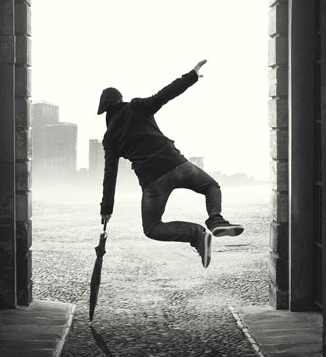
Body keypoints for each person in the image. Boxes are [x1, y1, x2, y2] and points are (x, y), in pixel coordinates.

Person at [96, 59, 243, 268]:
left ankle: (197, 234)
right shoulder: (136, 107)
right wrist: (192, 76)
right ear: (121, 100)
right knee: (211, 186)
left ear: (105, 112)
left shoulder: (109, 137)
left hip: (153, 182)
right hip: (178, 165)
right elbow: (164, 95)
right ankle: (216, 220)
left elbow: (109, 175)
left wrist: (106, 209)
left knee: (152, 228)